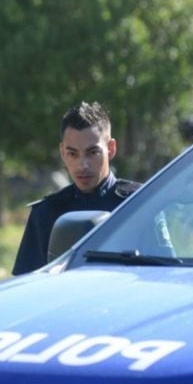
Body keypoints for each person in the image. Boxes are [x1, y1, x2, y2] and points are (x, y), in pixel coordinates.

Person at [12, 101, 140, 275]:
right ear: (63, 152)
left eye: (92, 152)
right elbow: (27, 286)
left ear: (111, 149)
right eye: (73, 154)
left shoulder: (139, 204)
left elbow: (161, 274)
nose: (82, 165)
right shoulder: (46, 213)